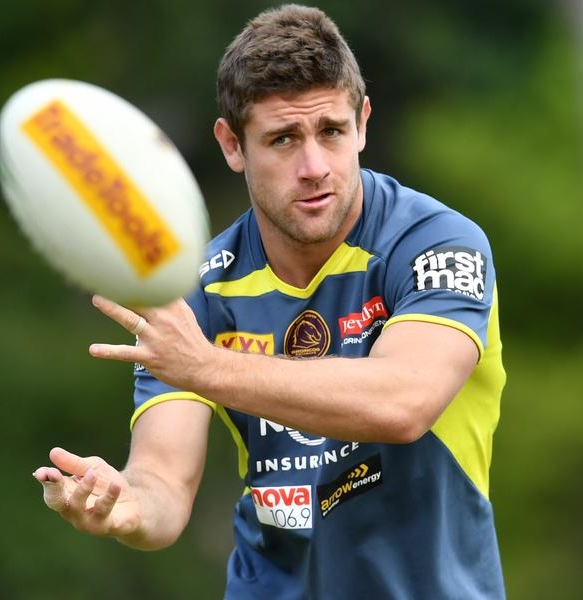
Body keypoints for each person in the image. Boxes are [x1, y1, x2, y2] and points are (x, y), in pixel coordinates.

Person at [33, 4, 507, 598]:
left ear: (362, 123)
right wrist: (125, 506)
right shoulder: (199, 290)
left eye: (331, 132)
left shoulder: (435, 244)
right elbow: (163, 487)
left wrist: (206, 366)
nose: (314, 167)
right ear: (232, 145)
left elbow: (404, 402)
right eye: (283, 139)